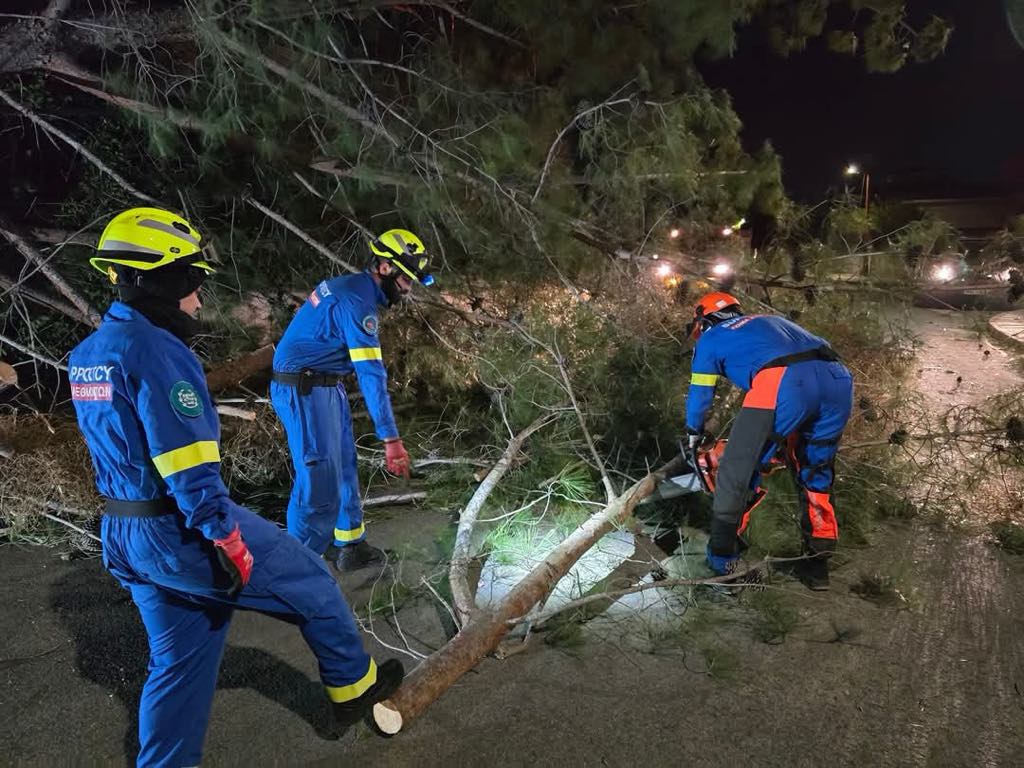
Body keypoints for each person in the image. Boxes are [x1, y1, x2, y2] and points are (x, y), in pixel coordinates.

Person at [69, 207, 402, 767]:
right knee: (313, 579)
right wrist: (224, 536)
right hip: (181, 526)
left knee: (179, 660)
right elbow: (188, 464)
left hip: (124, 531)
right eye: (194, 281)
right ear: (162, 277)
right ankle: (354, 690)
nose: (199, 299)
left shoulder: (89, 356)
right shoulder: (158, 352)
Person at [270, 229, 434, 571]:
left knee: (345, 466)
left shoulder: (353, 288)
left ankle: (349, 545)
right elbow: (372, 375)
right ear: (386, 268)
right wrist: (391, 439)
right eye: (407, 280)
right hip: (303, 390)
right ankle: (297, 570)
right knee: (316, 479)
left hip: (324, 385)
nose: (408, 289)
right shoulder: (357, 303)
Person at [683, 292, 854, 590]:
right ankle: (817, 566)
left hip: (784, 381)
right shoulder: (770, 320)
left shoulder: (710, 339)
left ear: (704, 319)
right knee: (815, 469)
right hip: (838, 377)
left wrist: (693, 432)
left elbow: (700, 396)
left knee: (735, 470)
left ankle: (724, 564)